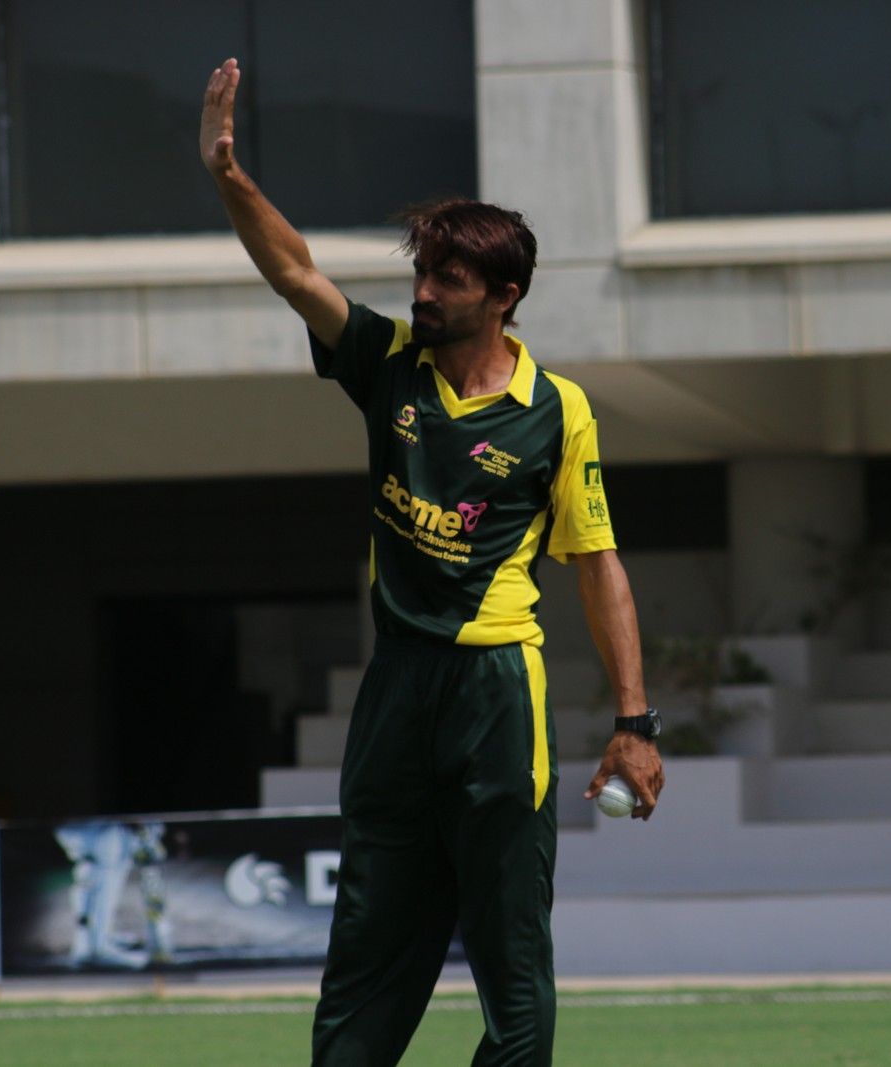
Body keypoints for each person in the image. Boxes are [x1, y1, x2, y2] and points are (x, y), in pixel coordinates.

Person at [200, 58, 664, 1065]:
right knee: (366, 945)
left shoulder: (557, 411)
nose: (422, 292)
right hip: (397, 688)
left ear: (503, 296)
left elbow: (597, 564)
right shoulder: (387, 365)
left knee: (511, 951)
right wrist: (228, 175)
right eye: (421, 273)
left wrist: (634, 722)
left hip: (498, 689)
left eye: (447, 280)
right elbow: (296, 274)